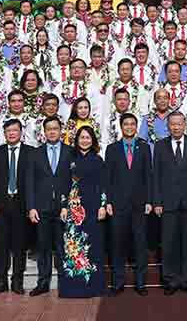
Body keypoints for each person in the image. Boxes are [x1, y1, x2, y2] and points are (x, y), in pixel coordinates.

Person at [152, 111, 187, 295]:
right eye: (172, 124)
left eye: (179, 124)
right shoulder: (159, 146)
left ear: (185, 125)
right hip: (168, 203)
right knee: (169, 243)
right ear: (168, 126)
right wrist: (157, 201)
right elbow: (156, 176)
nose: (176, 127)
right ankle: (170, 280)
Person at [105, 112, 153, 295]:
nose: (130, 127)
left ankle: (141, 283)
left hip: (139, 205)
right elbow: (108, 178)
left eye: (133, 124)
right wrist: (108, 201)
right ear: (121, 126)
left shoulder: (144, 147)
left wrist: (149, 200)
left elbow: (149, 175)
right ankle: (118, 283)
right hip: (118, 205)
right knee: (118, 244)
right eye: (126, 124)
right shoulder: (112, 149)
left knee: (140, 245)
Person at [58, 125, 108, 298]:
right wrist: (64, 206)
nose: (85, 140)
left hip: (94, 207)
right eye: (82, 137)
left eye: (88, 137)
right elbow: (63, 183)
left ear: (92, 140)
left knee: (93, 245)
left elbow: (104, 184)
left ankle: (94, 287)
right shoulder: (69, 159)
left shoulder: (98, 160)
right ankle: (73, 288)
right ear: (76, 140)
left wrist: (103, 205)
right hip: (74, 207)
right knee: (74, 246)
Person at [27, 116, 73, 296]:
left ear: (61, 130)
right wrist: (31, 207)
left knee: (63, 247)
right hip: (42, 208)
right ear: (44, 132)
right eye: (49, 129)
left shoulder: (70, 152)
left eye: (55, 128)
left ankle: (65, 282)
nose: (52, 131)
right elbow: (30, 182)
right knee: (43, 247)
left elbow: (74, 181)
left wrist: (68, 205)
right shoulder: (35, 153)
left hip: (63, 208)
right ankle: (43, 282)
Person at [0, 118, 33, 295]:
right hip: (1, 205)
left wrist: (31, 206)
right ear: (4, 133)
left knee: (19, 245)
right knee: (1, 245)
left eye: (15, 130)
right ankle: (1, 281)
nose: (12, 133)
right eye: (8, 131)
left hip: (22, 204)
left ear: (21, 132)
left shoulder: (30, 152)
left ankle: (17, 281)